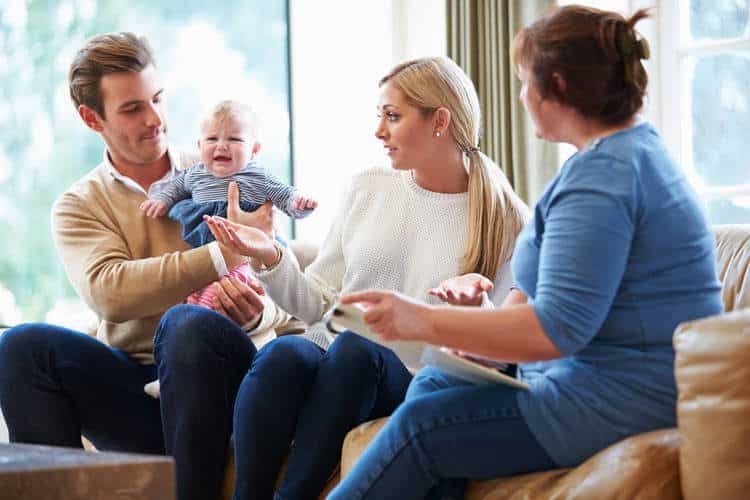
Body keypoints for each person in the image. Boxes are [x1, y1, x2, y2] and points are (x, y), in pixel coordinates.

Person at [327, 6, 724, 500]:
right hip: (577, 383)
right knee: (431, 387)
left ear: (556, 87)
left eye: (524, 83)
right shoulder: (616, 159)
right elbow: (542, 297)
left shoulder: (605, 179)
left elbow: (556, 328)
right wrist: (479, 335)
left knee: (423, 427)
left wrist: (421, 321)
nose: (520, 97)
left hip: (616, 400)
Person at [203, 56, 529, 499]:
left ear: (440, 122)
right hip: (336, 358)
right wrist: (270, 256)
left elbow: (507, 344)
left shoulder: (505, 219)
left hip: (410, 376)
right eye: (380, 116)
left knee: (359, 348)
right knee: (283, 356)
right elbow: (321, 303)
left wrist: (477, 308)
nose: (379, 131)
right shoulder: (367, 186)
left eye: (392, 116)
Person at [0, 32, 290, 500]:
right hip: (139, 391)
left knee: (185, 325)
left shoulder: (220, 167)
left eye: (158, 99)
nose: (155, 119)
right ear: (91, 118)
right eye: (133, 108)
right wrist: (222, 254)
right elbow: (110, 293)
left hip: (225, 381)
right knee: (20, 347)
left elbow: (287, 280)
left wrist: (258, 313)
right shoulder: (79, 204)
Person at [140, 99, 317, 309]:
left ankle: (233, 307)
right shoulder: (195, 173)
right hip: (205, 247)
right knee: (201, 287)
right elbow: (176, 186)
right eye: (212, 139)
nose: (221, 145)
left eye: (234, 139)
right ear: (199, 145)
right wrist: (162, 199)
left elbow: (284, 194)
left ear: (254, 150)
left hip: (248, 249)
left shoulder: (257, 176)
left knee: (245, 283)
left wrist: (298, 203)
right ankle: (201, 306)